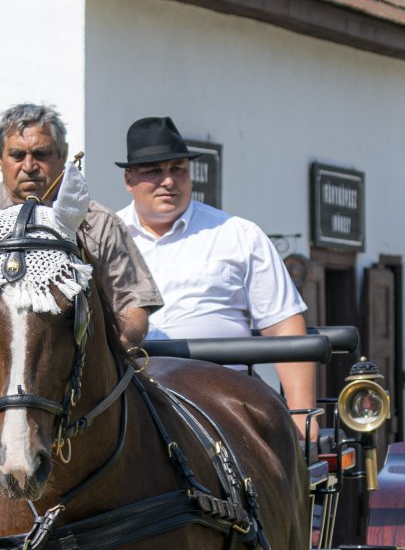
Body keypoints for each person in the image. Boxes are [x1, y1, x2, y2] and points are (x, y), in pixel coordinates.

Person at [0, 103, 160, 456]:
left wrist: (114, 345)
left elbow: (135, 303)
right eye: (17, 154)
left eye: (41, 153)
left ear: (63, 156)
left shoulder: (98, 222)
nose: (29, 165)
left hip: (72, 375)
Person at [115, 116, 313, 433]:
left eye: (177, 169)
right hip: (128, 398)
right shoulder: (102, 237)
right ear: (129, 179)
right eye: (154, 171)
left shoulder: (238, 235)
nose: (168, 181)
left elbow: (283, 326)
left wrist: (302, 416)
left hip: (224, 399)